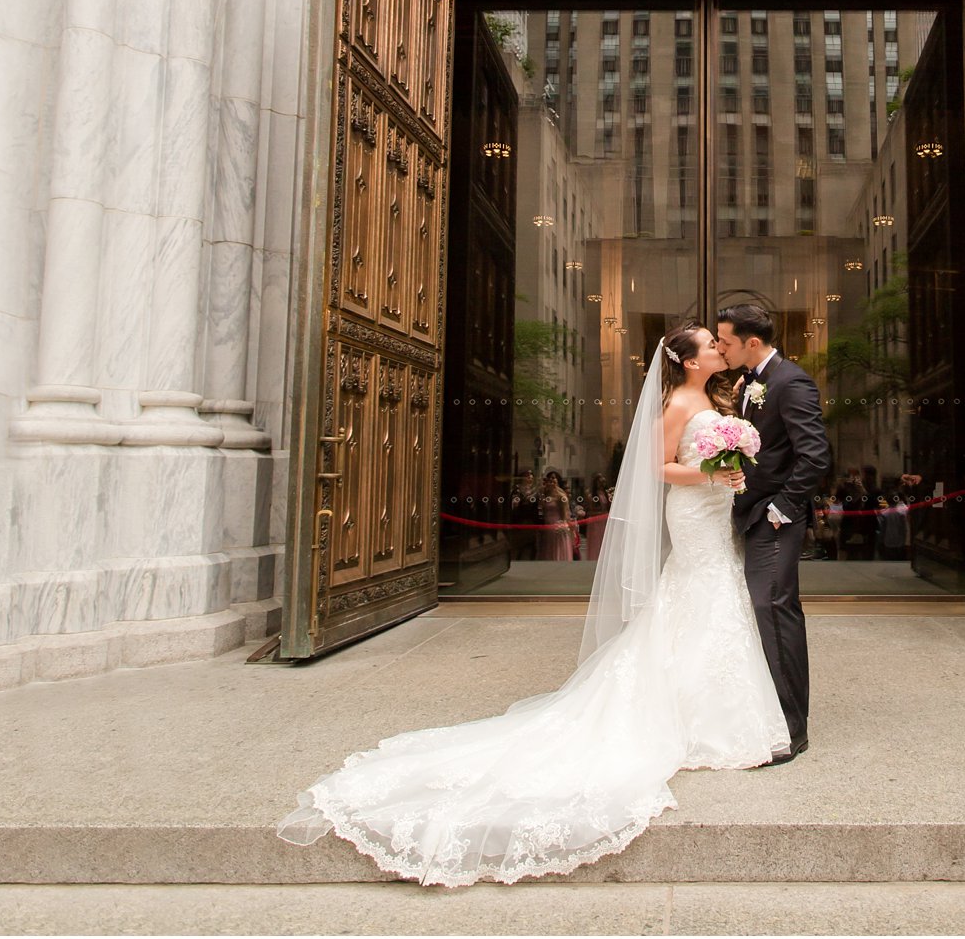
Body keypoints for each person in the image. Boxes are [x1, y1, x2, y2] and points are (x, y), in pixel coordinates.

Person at [277, 325, 787, 886]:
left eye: (719, 340)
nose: (719, 346)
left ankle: (709, 710)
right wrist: (708, 471)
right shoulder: (677, 402)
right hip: (693, 513)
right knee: (698, 591)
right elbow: (654, 468)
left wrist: (727, 470)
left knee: (714, 598)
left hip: (714, 513)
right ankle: (691, 715)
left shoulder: (717, 397)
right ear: (688, 362)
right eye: (709, 343)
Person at [717, 304, 832, 761]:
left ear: (751, 341)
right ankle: (773, 713)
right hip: (750, 513)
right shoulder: (751, 382)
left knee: (774, 609)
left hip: (775, 517)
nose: (720, 347)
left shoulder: (791, 381)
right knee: (764, 611)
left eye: (725, 340)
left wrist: (782, 509)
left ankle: (792, 729)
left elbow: (814, 456)